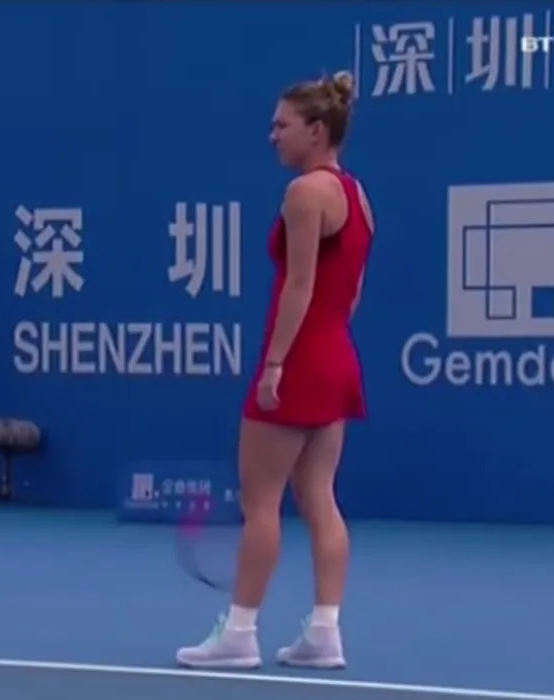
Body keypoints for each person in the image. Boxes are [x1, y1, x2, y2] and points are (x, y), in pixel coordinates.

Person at [176, 71, 373, 670]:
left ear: (316, 131)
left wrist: (277, 364)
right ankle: (325, 632)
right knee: (320, 498)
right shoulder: (357, 196)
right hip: (337, 357)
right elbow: (351, 291)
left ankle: (239, 633)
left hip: (299, 361)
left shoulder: (304, 194)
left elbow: (300, 285)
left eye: (282, 125)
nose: (273, 136)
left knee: (261, 503)